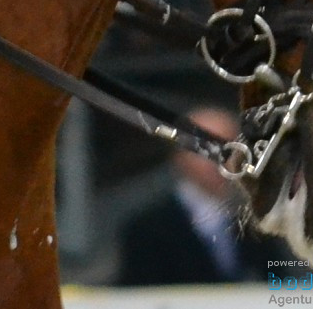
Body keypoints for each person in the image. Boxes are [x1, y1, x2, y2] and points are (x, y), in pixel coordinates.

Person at [115, 106, 286, 286]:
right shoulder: (146, 231)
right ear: (178, 155)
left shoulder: (259, 228)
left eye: (228, 148)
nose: (217, 159)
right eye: (203, 149)